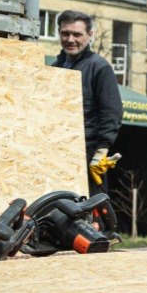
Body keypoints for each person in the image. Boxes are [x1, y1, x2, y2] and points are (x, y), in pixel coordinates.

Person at [54, 10, 123, 196]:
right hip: (58, 150)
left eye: (77, 34)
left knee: (92, 213)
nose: (70, 39)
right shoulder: (55, 67)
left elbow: (112, 111)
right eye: (65, 33)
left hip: (88, 152)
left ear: (89, 35)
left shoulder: (99, 66)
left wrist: (101, 151)